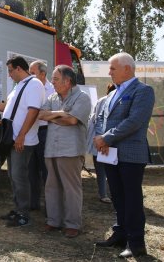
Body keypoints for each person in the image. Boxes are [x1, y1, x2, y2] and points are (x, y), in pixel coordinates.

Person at [93, 53, 154, 258]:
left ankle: (136, 243)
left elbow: (134, 121)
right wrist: (100, 138)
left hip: (130, 155)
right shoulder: (111, 94)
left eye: (112, 68)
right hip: (111, 154)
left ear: (127, 69)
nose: (109, 73)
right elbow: (102, 119)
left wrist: (106, 138)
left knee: (132, 199)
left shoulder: (143, 91)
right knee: (118, 196)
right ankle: (120, 234)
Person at [0, 56, 45, 227]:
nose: (9, 75)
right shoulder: (19, 87)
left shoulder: (34, 84)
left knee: (19, 176)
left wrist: (22, 135)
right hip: (13, 139)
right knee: (13, 176)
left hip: (22, 140)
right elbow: (7, 107)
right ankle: (18, 210)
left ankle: (24, 214)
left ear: (19, 69)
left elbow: (33, 111)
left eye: (10, 70)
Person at [38, 65, 91, 238]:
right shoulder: (53, 97)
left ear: (67, 81)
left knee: (71, 188)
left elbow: (72, 121)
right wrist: (60, 113)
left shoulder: (82, 98)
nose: (51, 82)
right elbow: (41, 115)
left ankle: (72, 224)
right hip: (51, 149)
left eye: (55, 79)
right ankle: (54, 221)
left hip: (71, 150)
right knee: (51, 186)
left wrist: (56, 117)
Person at [28, 60, 54, 211]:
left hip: (45, 133)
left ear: (43, 74)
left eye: (33, 73)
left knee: (46, 170)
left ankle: (50, 206)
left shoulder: (52, 91)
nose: (30, 77)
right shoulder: (29, 88)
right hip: (32, 132)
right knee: (31, 169)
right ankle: (33, 203)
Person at [86, 83, 116, 204]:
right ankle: (106, 194)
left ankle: (104, 194)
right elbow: (100, 120)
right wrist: (103, 139)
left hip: (99, 139)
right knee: (107, 170)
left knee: (101, 171)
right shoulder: (107, 100)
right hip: (103, 140)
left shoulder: (102, 100)